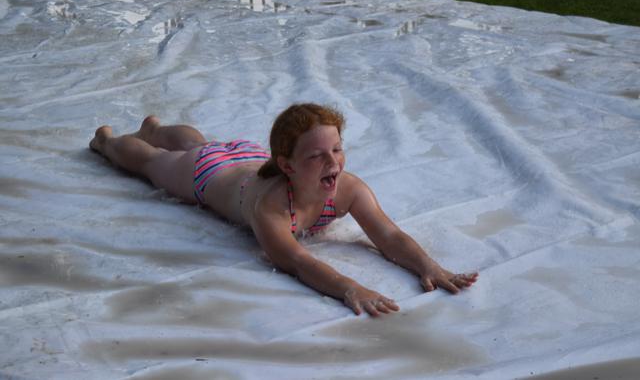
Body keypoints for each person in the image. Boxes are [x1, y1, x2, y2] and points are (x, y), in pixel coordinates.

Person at [89, 103, 478, 316]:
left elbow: (388, 235)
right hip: (208, 173)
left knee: (203, 143)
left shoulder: (348, 188)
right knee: (155, 162)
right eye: (318, 156)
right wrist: (350, 287)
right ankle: (107, 142)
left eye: (337, 149)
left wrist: (428, 266)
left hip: (249, 155)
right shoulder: (270, 207)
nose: (333, 163)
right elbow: (297, 261)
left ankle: (156, 128)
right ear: (288, 166)